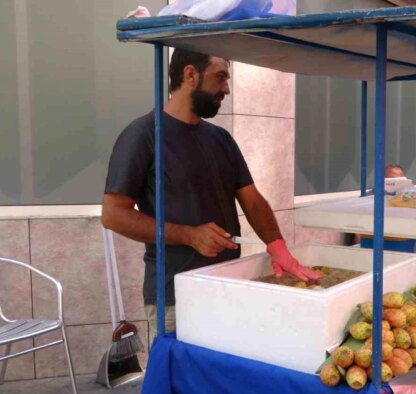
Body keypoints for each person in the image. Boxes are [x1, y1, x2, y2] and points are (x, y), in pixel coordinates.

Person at [102, 49, 320, 337]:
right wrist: (189, 235)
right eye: (220, 77)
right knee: (180, 380)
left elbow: (251, 199)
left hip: (228, 286)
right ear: (190, 75)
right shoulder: (143, 135)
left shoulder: (221, 139)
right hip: (176, 295)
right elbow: (113, 215)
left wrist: (277, 247)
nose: (226, 88)